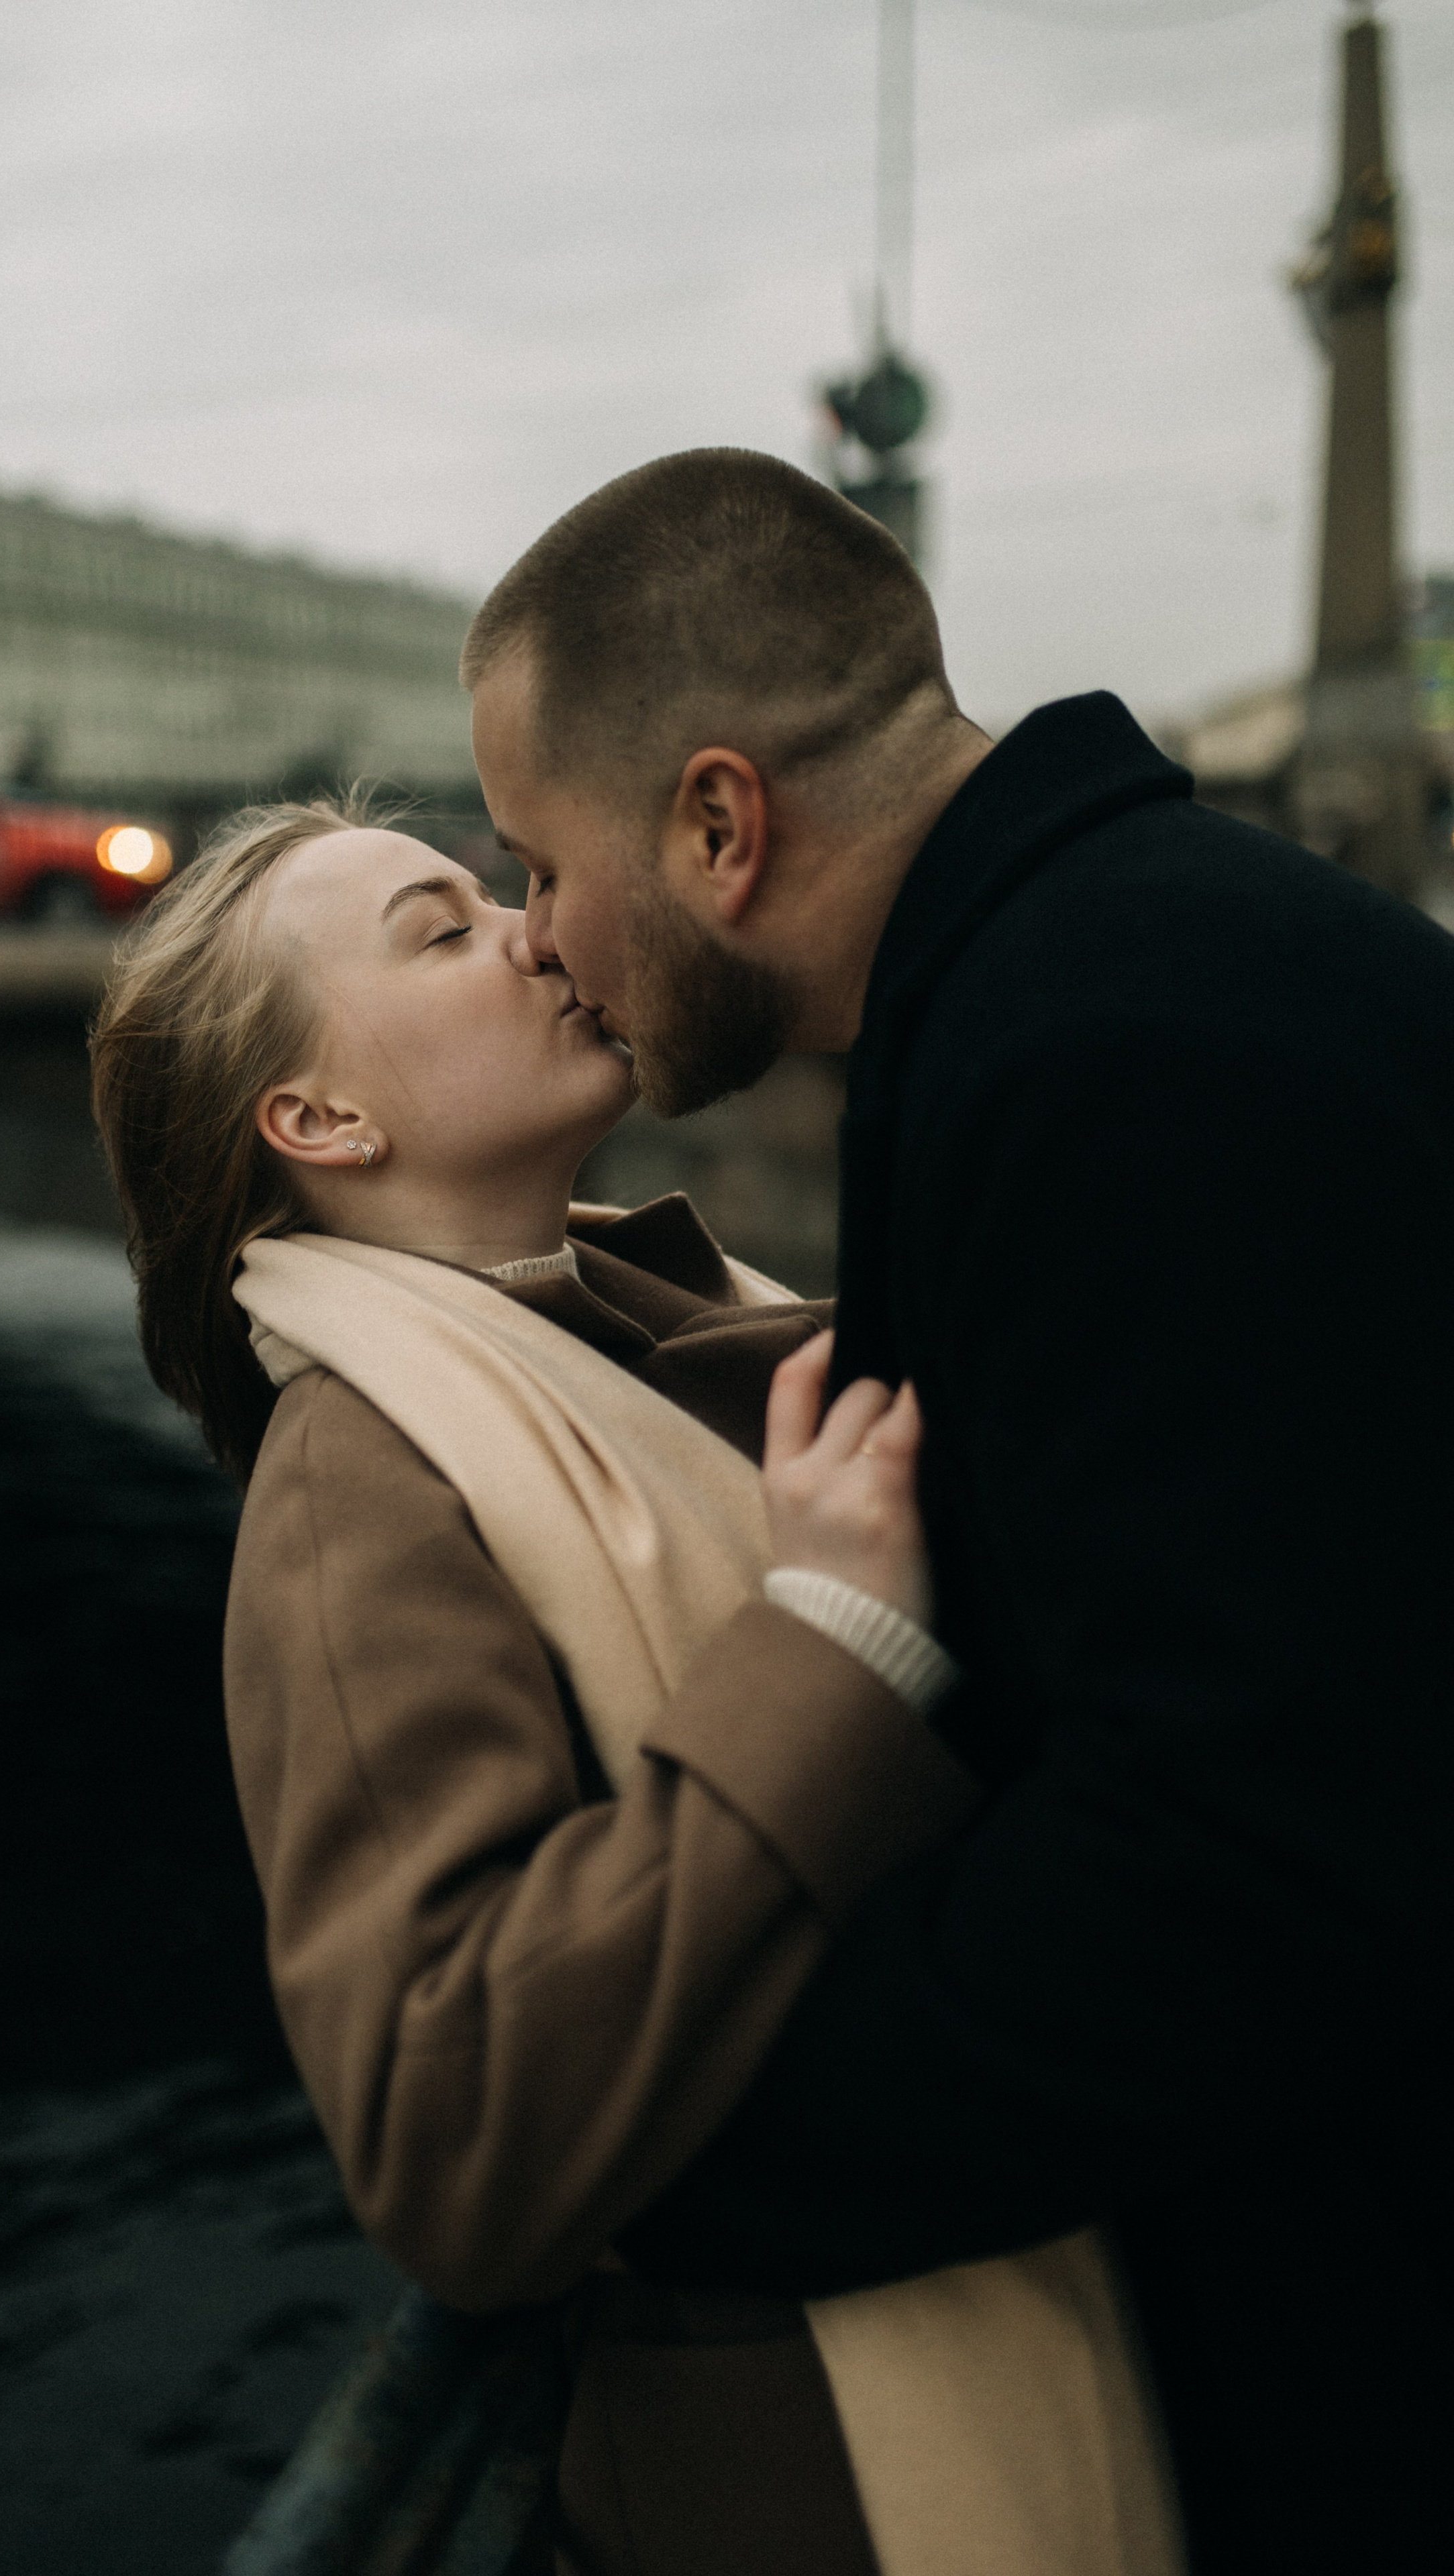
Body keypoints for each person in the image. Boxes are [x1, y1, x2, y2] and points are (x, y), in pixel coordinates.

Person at [462, 446, 1454, 2575]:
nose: (539, 943)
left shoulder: (1107, 1051)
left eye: (538, 865)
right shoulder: (1138, 965)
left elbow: (1231, 1869)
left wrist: (694, 2173)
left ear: (719, 826)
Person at [89, 803, 1183, 2576]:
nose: (530, 930)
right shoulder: (352, 1486)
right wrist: (834, 1645)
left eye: (495, 891)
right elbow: (452, 2133)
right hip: (822, 2475)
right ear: (320, 1122)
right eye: (439, 931)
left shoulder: (652, 1323)